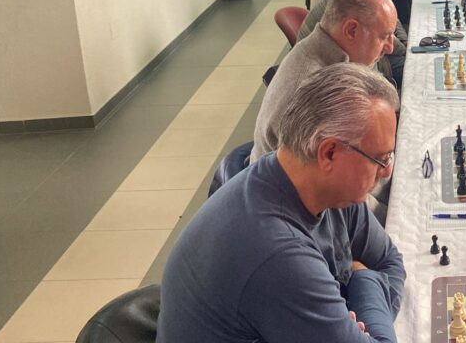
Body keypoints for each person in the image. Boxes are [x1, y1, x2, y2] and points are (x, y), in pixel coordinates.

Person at [158, 63, 406, 343]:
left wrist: (358, 298)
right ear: (329, 153)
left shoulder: (321, 185)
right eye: (380, 159)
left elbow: (390, 262)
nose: (387, 171)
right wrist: (364, 278)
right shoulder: (277, 254)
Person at [251, 0, 396, 163]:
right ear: (351, 30)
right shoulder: (310, 90)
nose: (390, 47)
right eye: (384, 37)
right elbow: (318, 175)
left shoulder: (333, 53)